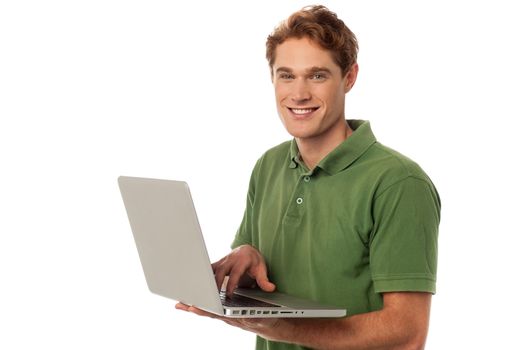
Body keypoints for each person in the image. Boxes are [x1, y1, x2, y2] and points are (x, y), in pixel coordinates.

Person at [176, 5, 440, 350]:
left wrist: (279, 328)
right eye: (286, 75)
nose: (299, 94)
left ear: (349, 77)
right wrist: (249, 252)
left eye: (317, 75)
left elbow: (407, 334)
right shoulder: (268, 166)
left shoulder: (398, 182)